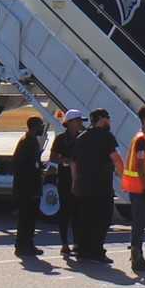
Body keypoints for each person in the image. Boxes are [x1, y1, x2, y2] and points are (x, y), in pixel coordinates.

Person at [73, 109, 120, 267]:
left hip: (84, 185)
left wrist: (76, 182)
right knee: (102, 220)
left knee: (85, 218)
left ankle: (82, 249)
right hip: (101, 186)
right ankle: (97, 251)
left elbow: (75, 162)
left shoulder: (81, 137)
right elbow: (115, 159)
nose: (110, 121)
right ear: (101, 119)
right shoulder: (106, 137)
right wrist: (124, 175)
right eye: (108, 118)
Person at [121, 105, 145, 275]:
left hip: (140, 188)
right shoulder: (141, 140)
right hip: (139, 189)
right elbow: (139, 166)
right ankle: (137, 259)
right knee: (138, 225)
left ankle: (138, 257)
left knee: (139, 224)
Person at [47, 110, 87, 262]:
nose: (80, 124)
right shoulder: (61, 139)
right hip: (65, 178)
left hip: (80, 179)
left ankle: (77, 243)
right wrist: (66, 161)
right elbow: (53, 157)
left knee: (79, 212)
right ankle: (64, 243)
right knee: (65, 212)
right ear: (69, 122)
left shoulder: (82, 138)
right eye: (77, 121)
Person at [9, 115, 47, 262]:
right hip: (27, 188)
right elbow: (21, 166)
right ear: (34, 127)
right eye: (40, 125)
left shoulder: (31, 141)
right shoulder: (27, 142)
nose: (42, 128)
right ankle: (22, 246)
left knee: (30, 219)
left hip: (32, 186)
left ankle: (29, 245)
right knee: (25, 218)